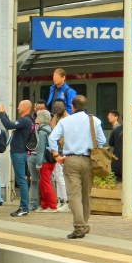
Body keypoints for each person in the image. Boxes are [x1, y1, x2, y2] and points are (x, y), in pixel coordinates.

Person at [48, 95, 107, 239]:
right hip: (89, 160)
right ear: (85, 106)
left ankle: (80, 226)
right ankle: (83, 223)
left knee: (74, 195)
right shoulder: (94, 121)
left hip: (70, 160)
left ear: (72, 107)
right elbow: (102, 141)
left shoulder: (65, 121)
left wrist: (56, 156)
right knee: (86, 195)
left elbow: (52, 138)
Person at [0, 99, 35, 217]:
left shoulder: (25, 120)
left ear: (25, 108)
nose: (18, 108)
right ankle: (24, 206)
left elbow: (8, 125)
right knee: (21, 180)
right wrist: (5, 115)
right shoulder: (27, 120)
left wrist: (2, 113)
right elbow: (12, 124)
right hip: (19, 152)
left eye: (19, 106)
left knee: (21, 181)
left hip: (19, 153)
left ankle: (24, 207)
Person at [35, 109, 57, 212]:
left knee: (45, 183)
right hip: (51, 160)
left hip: (44, 161)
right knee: (43, 182)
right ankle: (45, 205)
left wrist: (38, 163)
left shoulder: (42, 132)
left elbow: (40, 148)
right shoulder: (50, 129)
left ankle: (52, 205)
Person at [50, 99, 70, 212]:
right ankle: (60, 199)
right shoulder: (55, 118)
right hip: (56, 150)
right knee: (57, 177)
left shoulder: (67, 118)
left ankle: (65, 201)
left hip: (63, 150)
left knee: (61, 177)